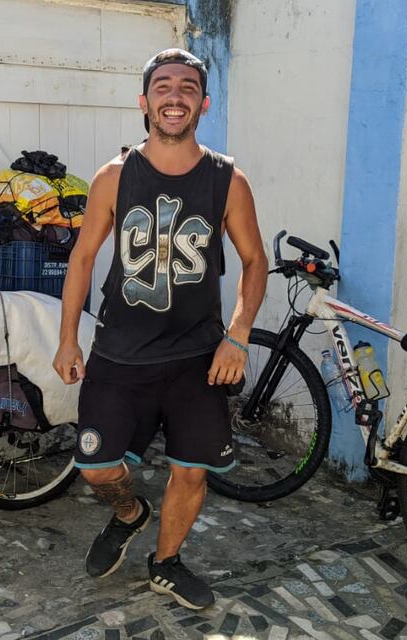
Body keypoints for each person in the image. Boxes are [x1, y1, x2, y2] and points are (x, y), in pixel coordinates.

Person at [53, 48, 268, 610]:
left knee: (191, 472)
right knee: (98, 469)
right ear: (144, 101)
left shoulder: (227, 180)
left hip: (198, 356)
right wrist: (68, 337)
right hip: (120, 355)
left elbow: (254, 261)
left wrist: (239, 332)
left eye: (188, 87)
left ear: (204, 102)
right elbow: (81, 260)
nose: (176, 97)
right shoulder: (115, 176)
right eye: (164, 87)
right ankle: (130, 513)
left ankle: (166, 562)